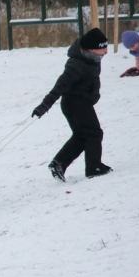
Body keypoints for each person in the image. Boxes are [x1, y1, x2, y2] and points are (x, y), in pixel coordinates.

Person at [33, 28, 112, 181]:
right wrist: (44, 106)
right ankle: (94, 168)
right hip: (77, 103)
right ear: (90, 49)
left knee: (81, 136)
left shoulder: (92, 58)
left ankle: (59, 163)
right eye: (102, 48)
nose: (105, 51)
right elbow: (60, 86)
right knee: (94, 133)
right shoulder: (77, 63)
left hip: (76, 102)